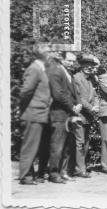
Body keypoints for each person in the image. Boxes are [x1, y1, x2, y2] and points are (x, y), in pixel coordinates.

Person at [18, 43, 52, 185]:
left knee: (36, 146)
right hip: (33, 113)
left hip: (40, 114)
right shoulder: (34, 69)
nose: (51, 55)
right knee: (30, 146)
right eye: (49, 52)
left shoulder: (42, 69)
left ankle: (30, 175)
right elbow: (25, 92)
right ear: (42, 54)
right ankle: (25, 176)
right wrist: (24, 109)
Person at [47, 51, 82, 183]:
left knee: (67, 145)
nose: (72, 63)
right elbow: (58, 94)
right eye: (69, 60)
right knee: (57, 145)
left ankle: (63, 172)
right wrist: (72, 107)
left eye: (73, 61)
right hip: (59, 114)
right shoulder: (56, 72)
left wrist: (78, 104)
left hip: (70, 114)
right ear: (62, 59)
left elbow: (75, 93)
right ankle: (54, 174)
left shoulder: (70, 74)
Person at [72, 54, 100, 178]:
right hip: (80, 115)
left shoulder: (90, 79)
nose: (89, 67)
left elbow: (95, 95)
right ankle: (79, 169)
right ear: (81, 65)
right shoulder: (77, 78)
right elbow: (79, 97)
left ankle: (81, 167)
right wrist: (91, 107)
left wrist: (96, 106)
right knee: (79, 143)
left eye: (91, 65)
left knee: (86, 143)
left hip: (88, 116)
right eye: (86, 65)